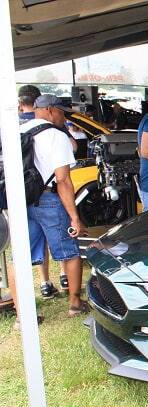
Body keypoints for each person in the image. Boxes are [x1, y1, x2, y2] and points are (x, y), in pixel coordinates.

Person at [8, 94, 88, 326]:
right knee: (69, 250)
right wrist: (75, 217)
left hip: (20, 200)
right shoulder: (56, 136)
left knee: (20, 257)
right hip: (48, 199)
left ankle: (23, 316)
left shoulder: (18, 131)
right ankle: (75, 303)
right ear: (51, 111)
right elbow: (63, 180)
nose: (64, 117)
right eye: (63, 113)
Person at [17, 84, 64, 299]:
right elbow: (64, 174)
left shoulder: (16, 127)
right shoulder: (53, 130)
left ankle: (44, 283)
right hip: (47, 193)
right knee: (63, 239)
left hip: (22, 195)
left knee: (27, 249)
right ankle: (66, 279)